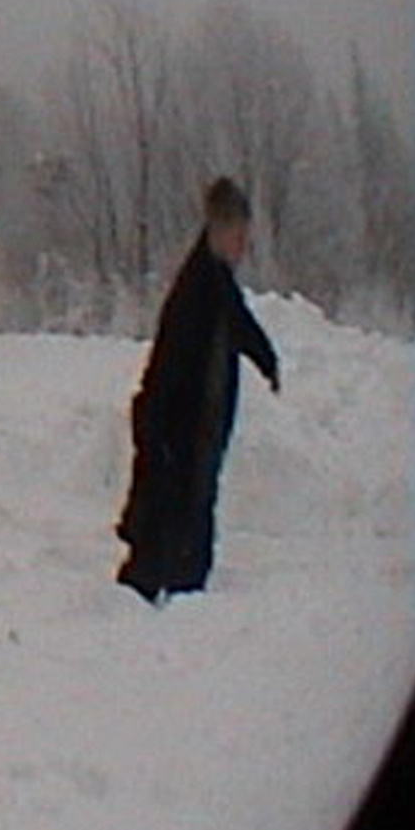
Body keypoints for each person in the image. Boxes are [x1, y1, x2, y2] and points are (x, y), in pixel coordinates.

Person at [116, 176, 280, 606]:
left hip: (194, 428)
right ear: (218, 230)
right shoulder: (197, 288)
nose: (243, 246)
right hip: (179, 427)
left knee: (187, 517)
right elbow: (169, 364)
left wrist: (266, 359)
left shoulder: (216, 280)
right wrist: (157, 431)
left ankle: (172, 598)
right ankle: (148, 602)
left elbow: (240, 323)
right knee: (171, 522)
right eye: (239, 236)